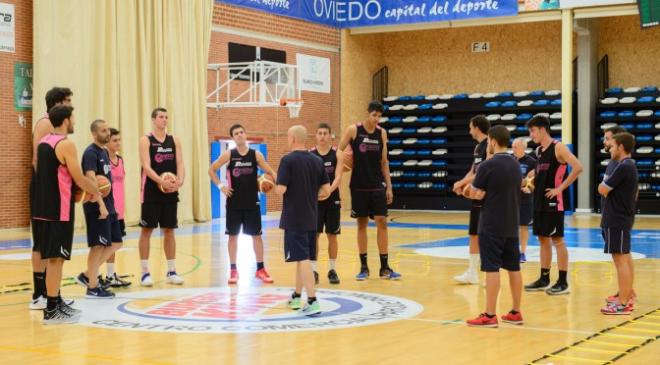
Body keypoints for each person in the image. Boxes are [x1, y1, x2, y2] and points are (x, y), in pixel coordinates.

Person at [33, 105, 101, 323]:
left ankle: (56, 300)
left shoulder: (44, 142)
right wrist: (97, 191)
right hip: (58, 211)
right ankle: (52, 309)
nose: (75, 122)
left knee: (55, 259)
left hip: (43, 210)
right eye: (73, 118)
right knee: (56, 260)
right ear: (65, 120)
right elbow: (79, 177)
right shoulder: (66, 144)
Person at [463, 125, 524, 328]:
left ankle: (490, 315)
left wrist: (466, 191)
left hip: (491, 224)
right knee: (514, 268)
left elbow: (476, 193)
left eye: (488, 141)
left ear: (494, 141)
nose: (487, 144)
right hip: (511, 224)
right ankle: (516, 311)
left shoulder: (487, 166)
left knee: (491, 269)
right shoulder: (516, 164)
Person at [338, 101, 401, 281]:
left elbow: (384, 162)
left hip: (377, 185)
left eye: (379, 116)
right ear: (368, 114)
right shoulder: (353, 130)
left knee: (382, 222)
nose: (376, 119)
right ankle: (364, 267)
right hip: (358, 185)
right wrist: (339, 173)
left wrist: (389, 186)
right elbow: (340, 152)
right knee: (361, 225)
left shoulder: (382, 133)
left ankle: (384, 267)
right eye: (374, 115)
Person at [208, 124, 277, 284]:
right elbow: (211, 170)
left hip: (252, 202)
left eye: (241, 132)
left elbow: (270, 171)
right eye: (236, 134)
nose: (239, 135)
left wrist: (276, 181)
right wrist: (221, 186)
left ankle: (260, 269)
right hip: (234, 203)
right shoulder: (229, 155)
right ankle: (233, 270)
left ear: (246, 135)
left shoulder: (256, 155)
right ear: (233, 138)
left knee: (257, 236)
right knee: (233, 237)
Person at [524, 115, 583, 295]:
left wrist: (560, 189)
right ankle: (544, 278)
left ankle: (563, 282)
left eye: (533, 131)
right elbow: (541, 174)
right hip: (540, 201)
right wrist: (530, 182)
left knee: (557, 240)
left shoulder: (559, 147)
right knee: (543, 239)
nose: (531, 135)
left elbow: (578, 167)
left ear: (542, 129)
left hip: (554, 202)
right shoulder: (539, 151)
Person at [276, 125, 331, 316]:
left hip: (294, 218)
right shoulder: (317, 161)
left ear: (292, 138)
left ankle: (313, 300)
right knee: (302, 258)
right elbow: (327, 190)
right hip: (311, 217)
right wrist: (311, 195)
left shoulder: (287, 160)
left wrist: (266, 186)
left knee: (303, 259)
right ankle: (297, 296)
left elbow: (281, 189)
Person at [29, 87, 73, 310]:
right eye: (67, 101)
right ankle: (39, 294)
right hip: (44, 189)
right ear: (57, 104)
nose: (70, 105)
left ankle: (49, 293)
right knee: (42, 242)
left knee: (49, 245)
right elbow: (38, 159)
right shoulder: (46, 123)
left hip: (48, 189)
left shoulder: (54, 126)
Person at [75, 120, 124, 298]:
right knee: (97, 246)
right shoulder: (90, 153)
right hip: (96, 205)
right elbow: (91, 180)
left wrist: (110, 205)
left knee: (117, 242)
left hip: (108, 205)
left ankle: (88, 275)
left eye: (107, 130)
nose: (108, 134)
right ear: (95, 134)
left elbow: (106, 183)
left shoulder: (103, 151)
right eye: (104, 131)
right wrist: (101, 205)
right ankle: (92, 287)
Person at [138, 107, 185, 286]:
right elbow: (146, 167)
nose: (164, 119)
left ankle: (172, 271)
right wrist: (161, 182)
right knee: (147, 230)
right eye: (160, 117)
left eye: (166, 117)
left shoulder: (174, 140)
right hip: (151, 190)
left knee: (169, 230)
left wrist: (179, 180)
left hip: (170, 191)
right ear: (153, 120)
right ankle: (145, 272)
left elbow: (180, 162)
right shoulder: (146, 140)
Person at [599, 132, 638, 315]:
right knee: (621, 259)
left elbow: (602, 188)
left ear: (621, 147)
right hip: (619, 218)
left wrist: (604, 186)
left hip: (617, 219)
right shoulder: (628, 166)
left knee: (620, 260)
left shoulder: (624, 166)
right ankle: (626, 296)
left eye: (613, 145)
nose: (610, 148)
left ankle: (623, 303)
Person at [452, 115, 490, 284]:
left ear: (476, 128)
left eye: (470, 127)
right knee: (473, 233)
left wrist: (461, 183)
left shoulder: (489, 145)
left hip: (486, 196)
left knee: (485, 234)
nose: (469, 130)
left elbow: (480, 173)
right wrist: (462, 184)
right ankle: (472, 273)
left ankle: (489, 274)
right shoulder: (477, 147)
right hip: (476, 195)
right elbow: (472, 170)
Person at [310, 123, 344, 284]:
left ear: (330, 135)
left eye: (325, 133)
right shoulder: (311, 155)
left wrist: (328, 190)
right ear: (316, 136)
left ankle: (332, 269)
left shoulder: (337, 154)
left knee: (332, 235)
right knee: (314, 235)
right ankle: (313, 270)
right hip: (315, 200)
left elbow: (338, 176)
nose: (322, 136)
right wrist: (317, 193)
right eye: (320, 133)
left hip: (332, 198)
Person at [105, 128, 131, 287]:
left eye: (119, 140)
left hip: (119, 209)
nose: (118, 143)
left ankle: (110, 275)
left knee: (115, 243)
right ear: (107, 142)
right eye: (115, 140)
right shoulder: (102, 160)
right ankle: (97, 275)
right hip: (108, 208)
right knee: (107, 245)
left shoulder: (120, 160)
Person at [511, 137, 537, 263]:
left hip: (525, 200)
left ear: (523, 147)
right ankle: (511, 251)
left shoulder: (532, 162)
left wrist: (529, 188)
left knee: (523, 226)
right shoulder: (510, 160)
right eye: (512, 146)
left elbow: (535, 181)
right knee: (510, 226)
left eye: (515, 146)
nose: (513, 148)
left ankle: (522, 253)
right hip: (510, 199)